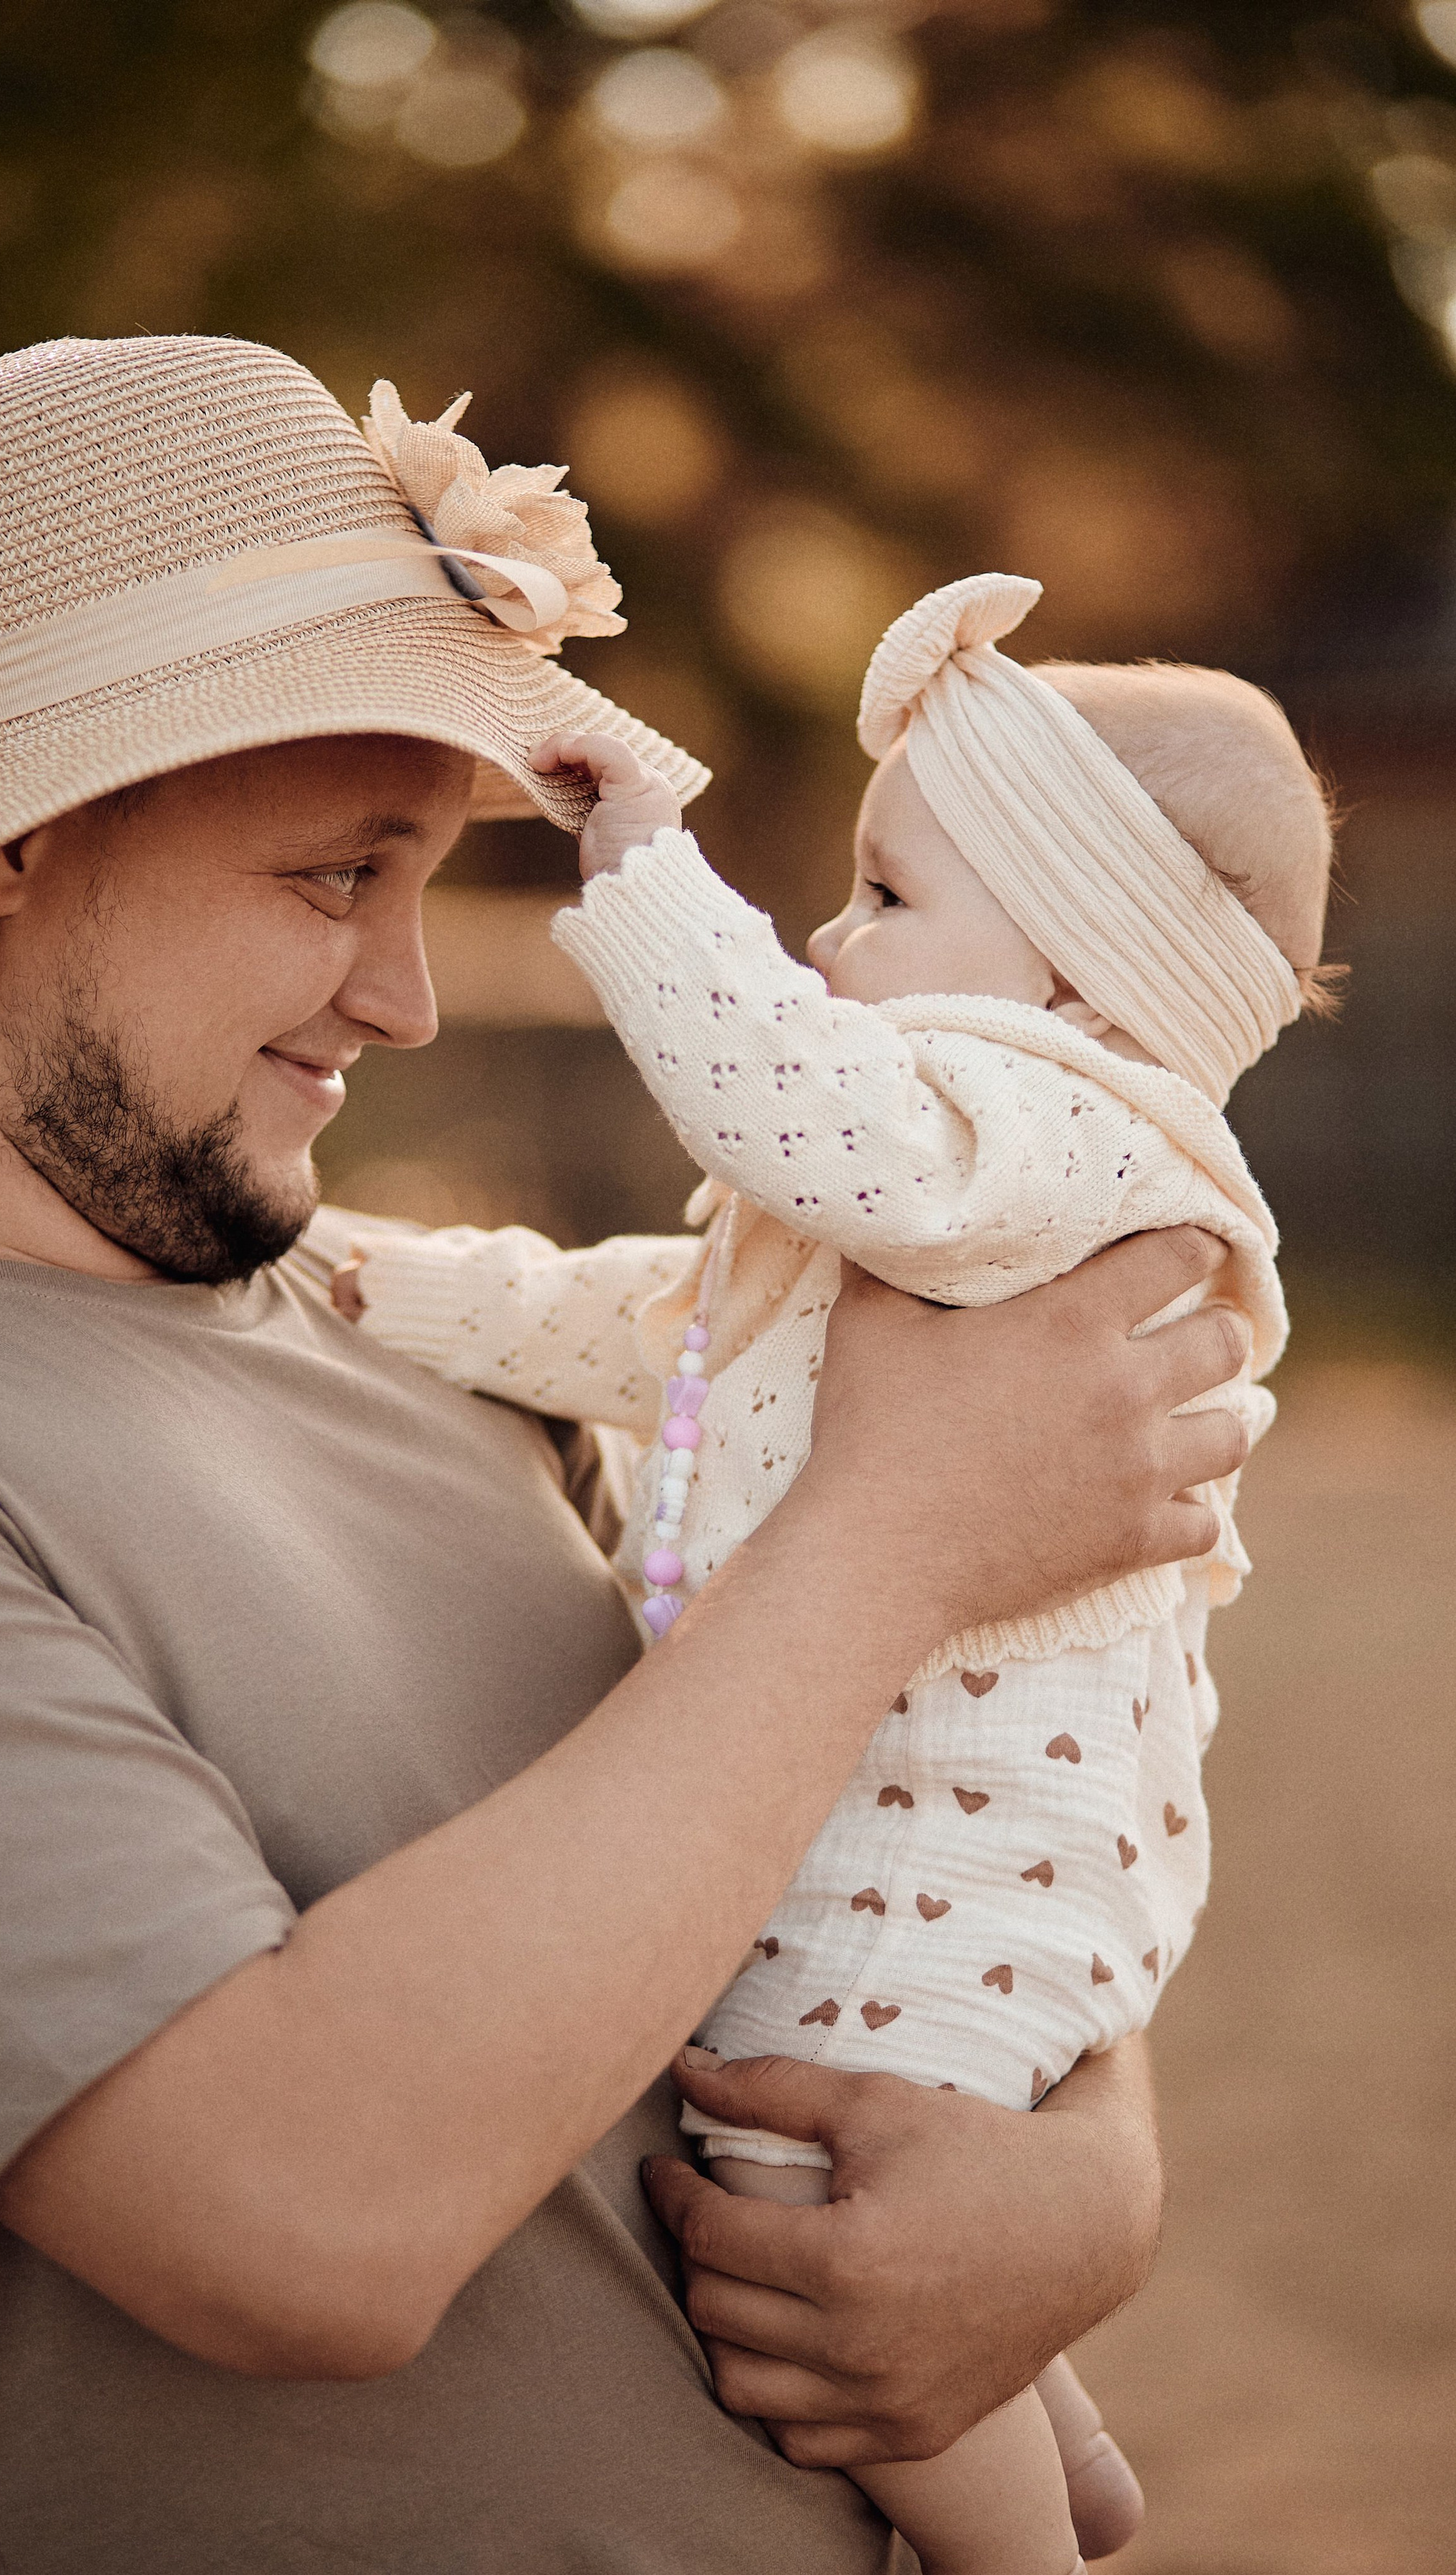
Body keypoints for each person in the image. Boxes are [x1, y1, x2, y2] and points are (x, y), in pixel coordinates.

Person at [0, 338, 1248, 2575]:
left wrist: (1086, 2177)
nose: (404, 997)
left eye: (428, 880)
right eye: (337, 872)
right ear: (13, 835)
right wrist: (899, 1532)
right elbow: (291, 2222)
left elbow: (825, 1858)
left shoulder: (423, 1341)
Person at [330, 574, 1338, 2571]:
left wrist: (642, 863)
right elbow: (670, 1328)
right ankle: (1064, 2446)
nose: (821, 942)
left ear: (1081, 978)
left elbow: (792, 1108)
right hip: (952, 1829)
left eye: (887, 897)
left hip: (966, 1837)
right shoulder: (965, 1180)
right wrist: (384, 1280)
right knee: (914, 2148)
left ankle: (1014, 2553)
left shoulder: (1058, 1139)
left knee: (803, 2174)